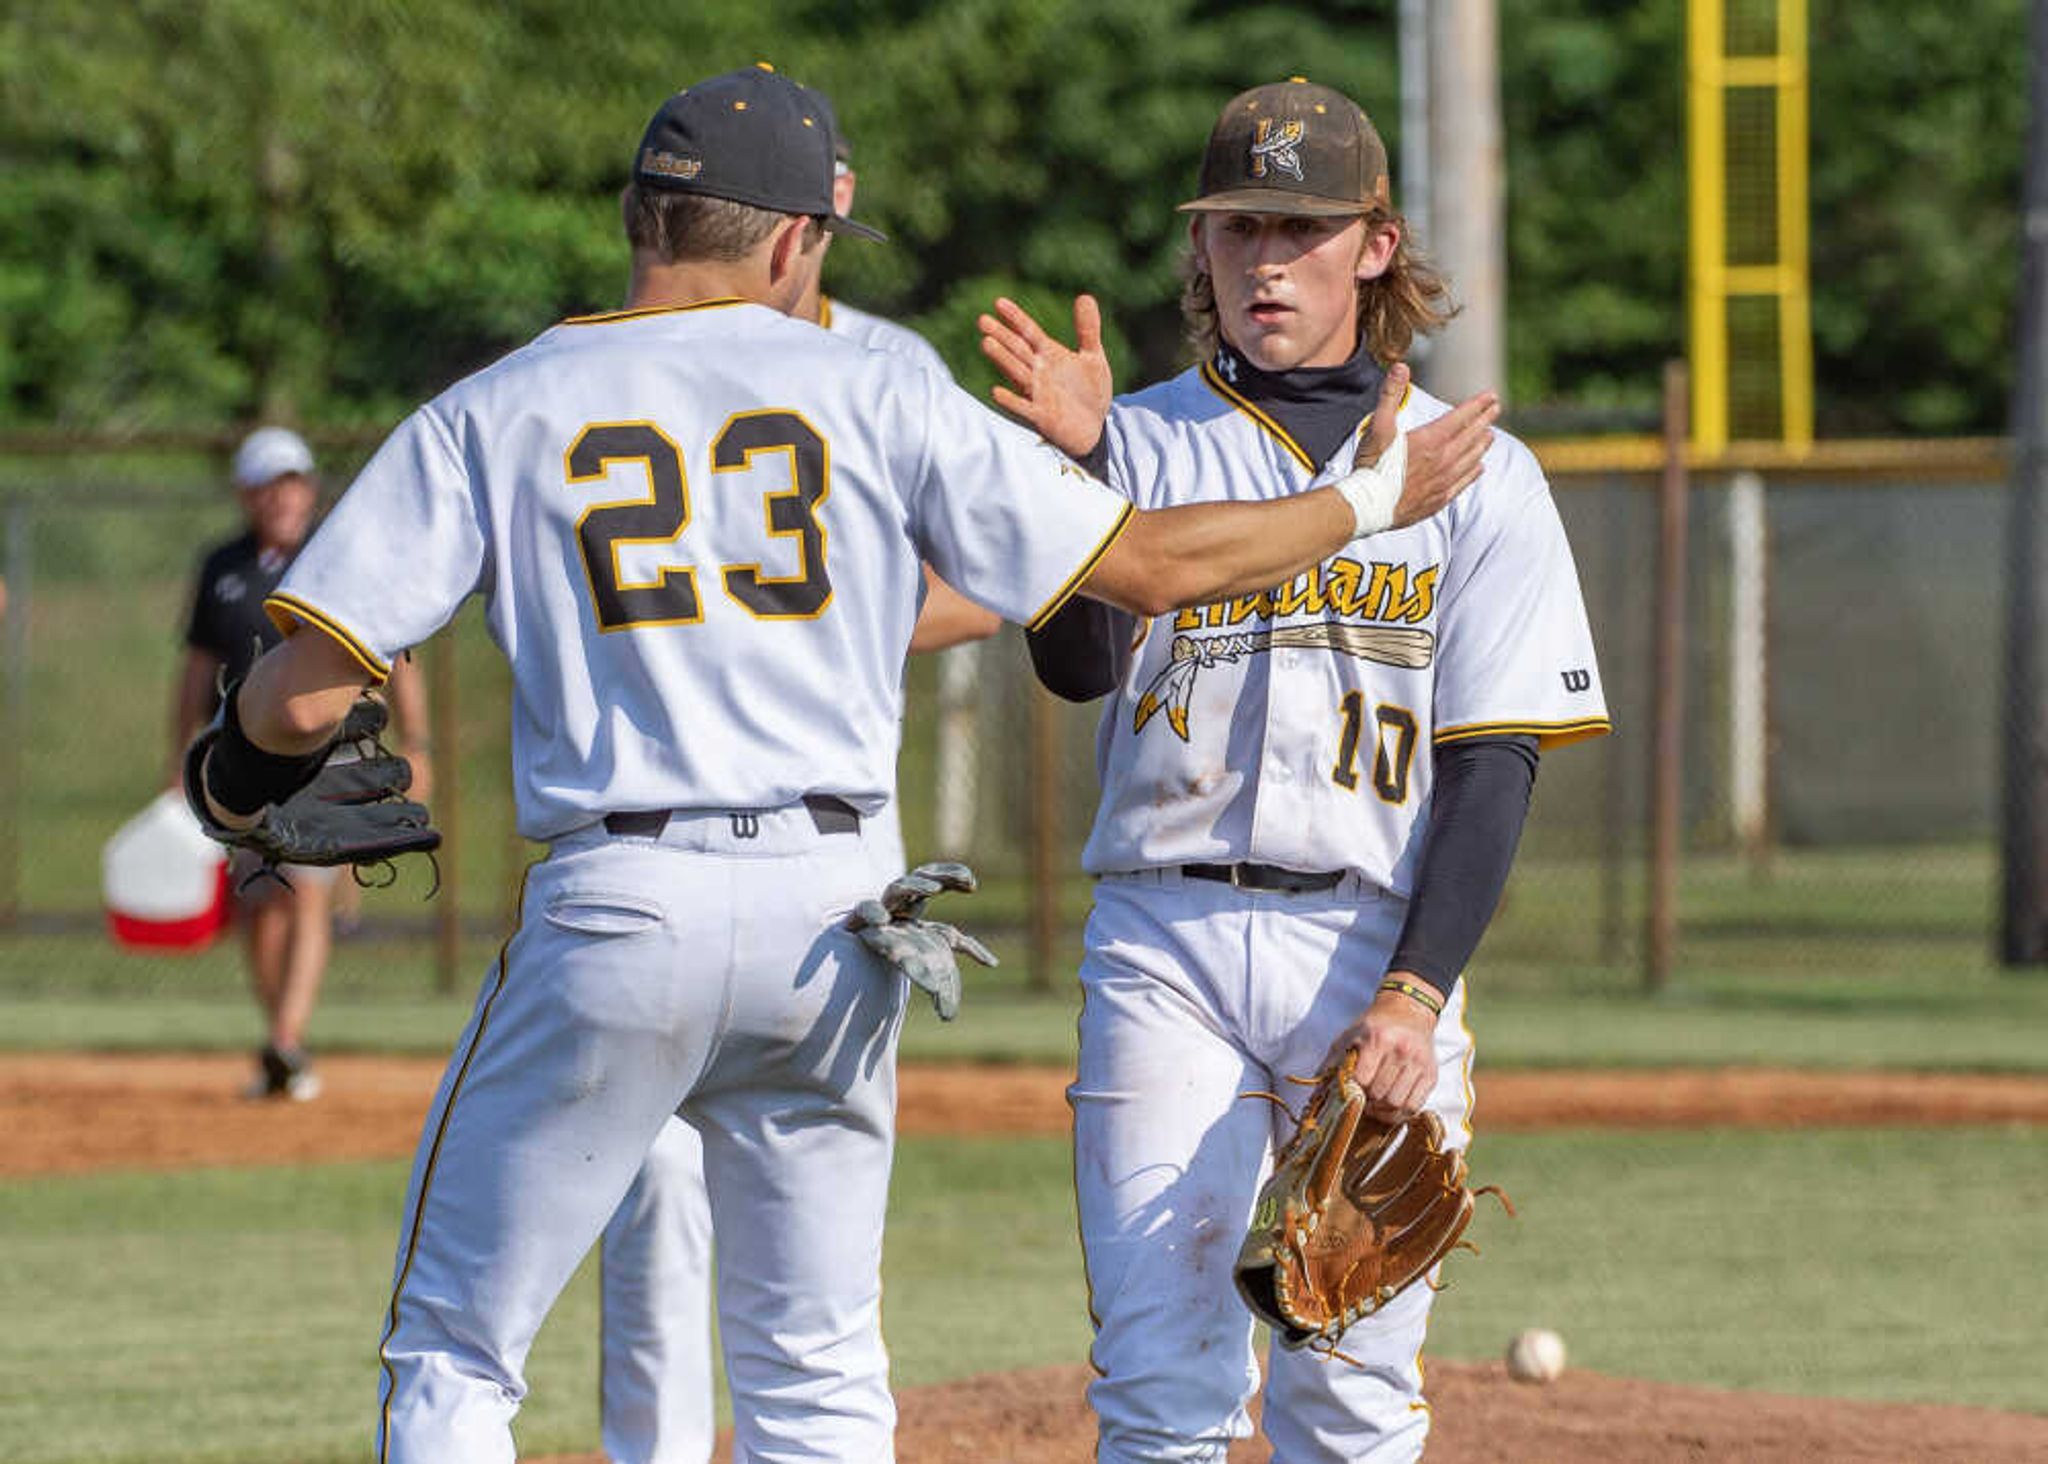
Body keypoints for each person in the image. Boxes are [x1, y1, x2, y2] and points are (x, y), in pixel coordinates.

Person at [187, 63, 1491, 1463]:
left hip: (624, 897)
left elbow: (309, 685)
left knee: (456, 1350)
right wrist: (1364, 496)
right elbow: (1153, 566)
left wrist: (237, 781)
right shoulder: (879, 385)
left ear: (640, 219)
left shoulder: (502, 403)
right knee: (814, 1374)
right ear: (802, 238)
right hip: (843, 916)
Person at [979, 77, 1610, 1462]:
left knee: (1351, 1388)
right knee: (1161, 1383)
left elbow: (1494, 759)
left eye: (1303, 229)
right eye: (1238, 227)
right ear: (1199, 250)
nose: (1267, 260)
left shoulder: (1473, 473)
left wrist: (1414, 990)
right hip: (1167, 941)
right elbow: (1078, 669)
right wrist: (1078, 468)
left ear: (1375, 247)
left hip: (1371, 946)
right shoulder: (1134, 436)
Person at [595, 114, 999, 1464]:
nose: (810, 246)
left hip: (831, 841)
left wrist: (815, 624)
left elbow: (982, 584)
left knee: (812, 1243)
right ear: (780, 226)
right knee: (651, 1182)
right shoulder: (627, 358)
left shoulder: (887, 366)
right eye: (807, 222)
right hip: (653, 823)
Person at [170, 426, 431, 1101]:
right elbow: (196, 671)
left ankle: (286, 1038)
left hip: (329, 746)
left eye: (295, 481)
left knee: (308, 888)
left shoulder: (337, 554)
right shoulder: (221, 566)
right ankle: (281, 1040)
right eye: (271, 484)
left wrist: (419, 743)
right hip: (235, 750)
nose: (286, 496)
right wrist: (178, 761)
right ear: (246, 494)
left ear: (309, 489)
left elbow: (392, 653)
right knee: (259, 902)